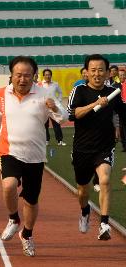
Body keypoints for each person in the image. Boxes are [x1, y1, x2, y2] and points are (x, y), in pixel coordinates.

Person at [0, 56, 68, 257]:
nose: (22, 79)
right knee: (8, 185)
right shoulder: (2, 93)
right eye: (18, 75)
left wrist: (54, 107)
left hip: (35, 155)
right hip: (9, 150)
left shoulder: (44, 94)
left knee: (31, 200)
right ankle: (13, 219)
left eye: (27, 75)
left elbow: (63, 117)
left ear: (34, 76)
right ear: (12, 75)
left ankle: (26, 234)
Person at [67, 54, 126, 241]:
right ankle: (85, 211)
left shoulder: (113, 92)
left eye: (101, 70)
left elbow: (124, 113)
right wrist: (97, 103)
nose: (97, 74)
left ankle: (104, 223)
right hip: (82, 149)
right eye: (93, 70)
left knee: (105, 180)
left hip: (105, 147)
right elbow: (74, 114)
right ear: (86, 72)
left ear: (108, 73)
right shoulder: (79, 91)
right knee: (83, 191)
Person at [38, 68, 66, 146]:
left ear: (51, 75)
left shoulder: (55, 84)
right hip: (44, 107)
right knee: (45, 125)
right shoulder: (40, 84)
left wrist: (58, 100)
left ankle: (59, 140)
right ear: (43, 76)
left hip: (54, 107)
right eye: (46, 75)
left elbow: (60, 92)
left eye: (49, 75)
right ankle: (46, 140)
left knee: (56, 123)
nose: (48, 76)